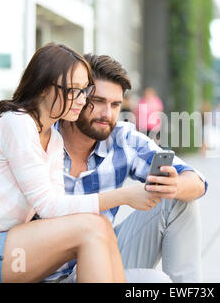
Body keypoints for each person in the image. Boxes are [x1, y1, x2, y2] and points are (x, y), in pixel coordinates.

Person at [0, 43, 126, 283]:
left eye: (85, 90)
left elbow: (57, 212)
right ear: (42, 88)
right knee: (90, 228)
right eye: (73, 90)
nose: (81, 100)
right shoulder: (17, 123)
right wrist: (125, 196)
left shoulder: (54, 139)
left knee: (100, 224)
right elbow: (49, 206)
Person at [44, 54, 208, 283]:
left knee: (176, 198)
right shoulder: (42, 139)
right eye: (98, 101)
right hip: (47, 272)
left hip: (102, 258)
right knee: (155, 283)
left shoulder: (122, 138)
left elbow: (197, 181)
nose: (107, 114)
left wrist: (175, 184)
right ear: (77, 97)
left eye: (115, 105)